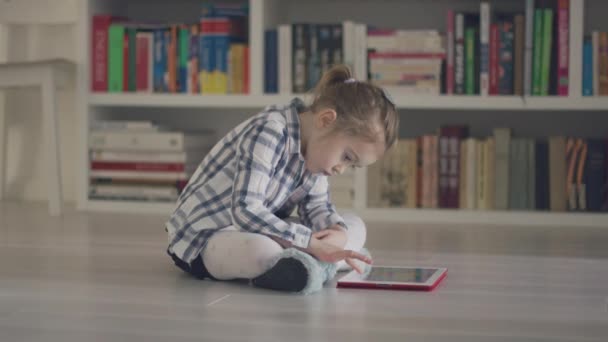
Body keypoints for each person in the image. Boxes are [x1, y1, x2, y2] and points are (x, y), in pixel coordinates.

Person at [165, 64, 399, 292]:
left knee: (354, 226)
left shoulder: (316, 152)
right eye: (347, 157)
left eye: (352, 165)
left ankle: (310, 264)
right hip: (205, 236)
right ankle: (322, 263)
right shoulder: (270, 131)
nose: (341, 169)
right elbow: (245, 210)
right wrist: (311, 243)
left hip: (255, 228)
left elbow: (317, 207)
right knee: (261, 251)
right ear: (326, 120)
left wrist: (335, 231)